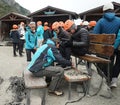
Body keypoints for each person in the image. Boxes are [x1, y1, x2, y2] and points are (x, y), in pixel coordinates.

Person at [93, 2, 120, 88]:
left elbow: (95, 35)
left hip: (105, 49)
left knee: (108, 60)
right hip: (118, 47)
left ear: (104, 11)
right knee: (119, 61)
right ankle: (114, 79)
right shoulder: (119, 20)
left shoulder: (101, 21)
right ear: (113, 10)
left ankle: (108, 78)